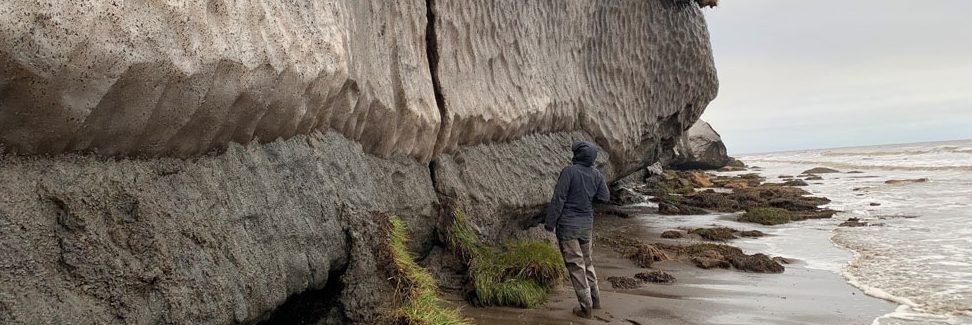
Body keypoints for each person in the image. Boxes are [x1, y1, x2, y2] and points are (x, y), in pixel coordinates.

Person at [544, 141, 610, 319]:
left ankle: (585, 308)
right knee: (587, 262)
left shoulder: (569, 171)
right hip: (586, 225)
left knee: (575, 265)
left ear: (577, 155)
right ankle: (595, 301)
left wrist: (550, 223)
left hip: (568, 226)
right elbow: (605, 197)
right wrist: (587, 202)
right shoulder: (596, 174)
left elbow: (559, 198)